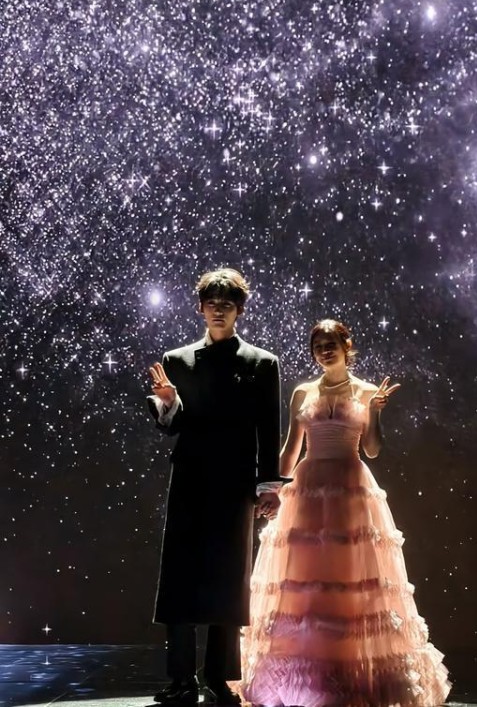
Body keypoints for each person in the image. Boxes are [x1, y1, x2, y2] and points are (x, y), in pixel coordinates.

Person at [239, 319, 451, 706]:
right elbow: (291, 448)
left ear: (345, 346)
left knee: (348, 577)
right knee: (306, 580)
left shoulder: (367, 391)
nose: (324, 350)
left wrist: (377, 412)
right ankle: (307, 678)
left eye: (330, 343)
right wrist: (272, 489)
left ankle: (347, 673)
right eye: (318, 345)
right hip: (308, 488)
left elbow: (372, 449)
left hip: (350, 487)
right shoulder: (303, 392)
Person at [147, 268, 285, 706]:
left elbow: (269, 429)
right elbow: (171, 427)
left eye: (227, 304)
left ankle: (219, 678)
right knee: (181, 577)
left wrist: (268, 486)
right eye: (212, 304)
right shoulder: (177, 360)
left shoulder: (262, 362)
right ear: (200, 308)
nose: (219, 311)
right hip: (189, 478)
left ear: (239, 310)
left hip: (234, 482)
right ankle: (181, 680)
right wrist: (169, 403)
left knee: (228, 578)